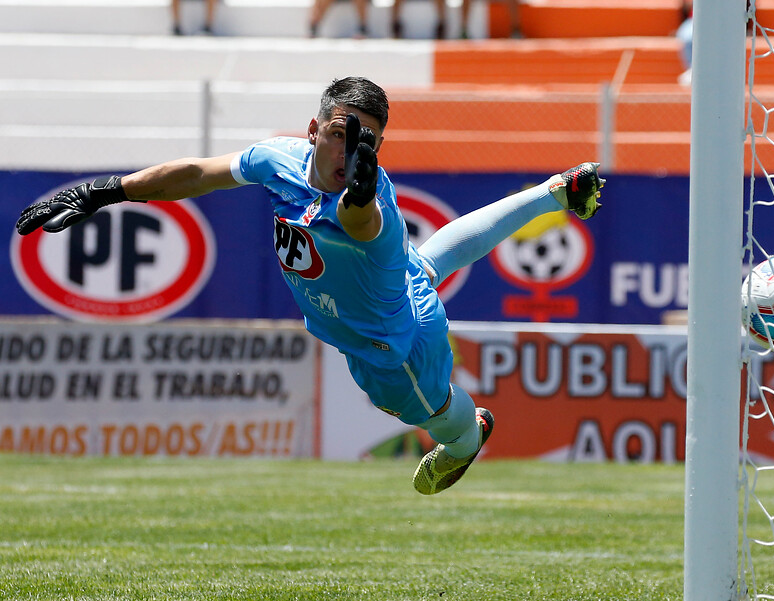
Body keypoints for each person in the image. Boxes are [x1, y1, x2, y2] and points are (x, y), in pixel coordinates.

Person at [15, 77, 604, 495]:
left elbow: (358, 222)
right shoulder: (280, 160)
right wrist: (108, 190)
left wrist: (362, 192)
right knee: (432, 259)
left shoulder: (373, 204)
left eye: (369, 140)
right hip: (395, 287)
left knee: (428, 411)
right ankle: (553, 192)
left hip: (391, 345)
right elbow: (197, 174)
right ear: (313, 129)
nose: (353, 151)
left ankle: (466, 438)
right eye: (345, 134)